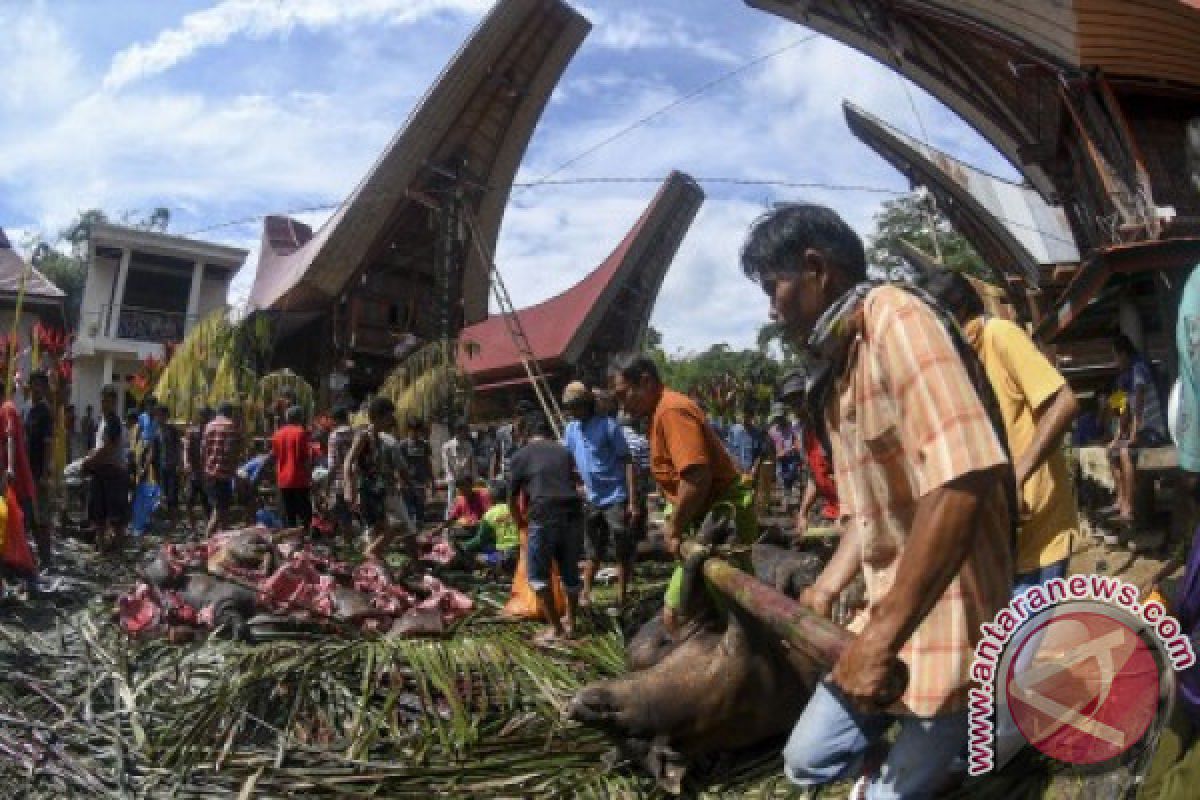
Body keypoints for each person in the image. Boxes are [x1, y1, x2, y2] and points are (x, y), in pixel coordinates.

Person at [740, 203, 1013, 798]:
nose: (770, 307)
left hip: (950, 621)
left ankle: (988, 726)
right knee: (805, 763)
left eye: (773, 287)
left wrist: (880, 638)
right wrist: (826, 589)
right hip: (887, 617)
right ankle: (925, 756)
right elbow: (868, 520)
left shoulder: (897, 317)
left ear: (815, 267)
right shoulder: (838, 367)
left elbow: (963, 477)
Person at [927, 269, 1080, 589]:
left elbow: (1064, 404)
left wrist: (1019, 474)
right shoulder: (961, 363)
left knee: (1027, 636)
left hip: (1040, 531)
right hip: (1003, 536)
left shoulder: (1000, 335)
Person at [609, 353, 757, 631]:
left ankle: (760, 652)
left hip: (721, 514)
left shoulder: (671, 410)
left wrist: (675, 527)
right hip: (701, 516)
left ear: (645, 381)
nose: (622, 405)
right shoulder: (657, 414)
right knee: (685, 609)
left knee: (731, 604)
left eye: (623, 394)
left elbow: (696, 476)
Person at [509, 411, 583, 644]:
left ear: (526, 432)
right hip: (572, 513)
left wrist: (520, 522)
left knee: (538, 576)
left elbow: (511, 497)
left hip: (543, 515)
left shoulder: (520, 455)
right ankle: (571, 620)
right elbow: (573, 482)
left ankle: (557, 629)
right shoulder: (563, 451)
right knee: (569, 572)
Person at [561, 381, 637, 608]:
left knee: (621, 547)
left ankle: (622, 596)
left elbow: (627, 462)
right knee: (592, 549)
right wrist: (576, 486)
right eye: (570, 408)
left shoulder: (608, 426)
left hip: (615, 495)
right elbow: (569, 461)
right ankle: (585, 593)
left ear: (587, 405)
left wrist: (632, 501)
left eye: (577, 407)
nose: (573, 412)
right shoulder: (571, 430)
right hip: (592, 498)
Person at [345, 396, 415, 561]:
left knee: (379, 531)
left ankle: (372, 565)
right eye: (389, 415)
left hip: (378, 490)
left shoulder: (379, 437)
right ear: (377, 416)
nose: (392, 419)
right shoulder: (364, 435)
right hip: (368, 490)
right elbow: (348, 460)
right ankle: (369, 556)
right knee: (397, 527)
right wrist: (349, 488)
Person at [1108, 333, 1168, 522]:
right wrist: (1116, 437)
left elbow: (1139, 408)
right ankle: (1120, 499)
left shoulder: (1139, 369)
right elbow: (1122, 412)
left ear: (1124, 354)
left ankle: (1129, 507)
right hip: (1139, 430)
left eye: (1115, 356)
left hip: (1152, 430)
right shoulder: (1122, 378)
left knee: (1126, 452)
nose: (1114, 361)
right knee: (1112, 452)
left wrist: (1132, 435)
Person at [779, 370, 839, 537]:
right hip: (832, 509)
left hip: (852, 511)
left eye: (798, 399)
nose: (795, 406)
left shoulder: (830, 425)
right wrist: (803, 513)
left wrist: (847, 513)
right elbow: (815, 477)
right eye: (791, 402)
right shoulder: (806, 432)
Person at [81, 385, 130, 552]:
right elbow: (100, 446)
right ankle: (102, 547)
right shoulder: (103, 421)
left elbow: (109, 448)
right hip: (101, 471)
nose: (104, 403)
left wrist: (89, 461)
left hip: (114, 473)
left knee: (117, 517)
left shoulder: (114, 421)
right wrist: (90, 455)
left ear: (115, 402)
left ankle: (118, 549)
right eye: (102, 400)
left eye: (108, 400)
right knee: (98, 514)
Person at [24, 371, 54, 570]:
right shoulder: (28, 409)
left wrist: (44, 473)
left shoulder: (45, 412)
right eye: (34, 384)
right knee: (30, 517)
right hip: (27, 472)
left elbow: (48, 445)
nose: (37, 389)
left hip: (38, 472)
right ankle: (33, 558)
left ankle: (46, 559)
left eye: (41, 385)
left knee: (41, 518)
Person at [460, 481, 520, 570]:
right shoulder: (518, 509)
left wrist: (463, 545)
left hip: (504, 557)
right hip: (523, 555)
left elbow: (480, 540)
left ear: (492, 496)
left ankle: (501, 571)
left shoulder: (490, 514)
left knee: (477, 556)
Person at [202, 402, 241, 538]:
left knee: (223, 511)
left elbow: (204, 450)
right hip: (224, 474)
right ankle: (207, 539)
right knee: (219, 511)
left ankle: (223, 539)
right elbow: (231, 451)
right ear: (230, 413)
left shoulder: (209, 426)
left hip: (210, 472)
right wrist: (235, 473)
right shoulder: (231, 426)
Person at [271, 405, 312, 529]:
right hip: (299, 478)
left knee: (289, 513)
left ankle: (291, 540)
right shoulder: (301, 433)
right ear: (300, 418)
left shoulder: (277, 434)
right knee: (305, 512)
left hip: (283, 479)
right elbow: (304, 458)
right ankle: (306, 538)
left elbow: (275, 456)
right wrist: (309, 476)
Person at [182, 407, 214, 534]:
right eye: (203, 416)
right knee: (189, 502)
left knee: (207, 505)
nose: (204, 419)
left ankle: (209, 530)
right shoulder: (192, 432)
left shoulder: (211, 432)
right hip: (194, 473)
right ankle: (193, 529)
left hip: (206, 474)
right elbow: (186, 449)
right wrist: (186, 463)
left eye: (207, 416)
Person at [325, 406, 355, 539]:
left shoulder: (334, 436)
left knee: (342, 513)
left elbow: (332, 464)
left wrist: (327, 484)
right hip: (357, 479)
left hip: (340, 481)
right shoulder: (356, 433)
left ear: (335, 420)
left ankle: (347, 543)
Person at [152, 404, 183, 533]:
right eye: (157, 415)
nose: (158, 418)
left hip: (173, 467)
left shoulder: (172, 430)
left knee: (173, 496)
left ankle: (174, 523)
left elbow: (179, 448)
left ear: (166, 416)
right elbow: (155, 452)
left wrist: (180, 464)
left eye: (160, 415)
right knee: (165, 496)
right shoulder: (157, 431)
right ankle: (171, 522)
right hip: (162, 467)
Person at [398, 417, 433, 525]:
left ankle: (420, 529)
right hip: (407, 482)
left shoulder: (425, 445)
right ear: (408, 430)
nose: (416, 433)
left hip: (421, 481)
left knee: (420, 507)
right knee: (408, 509)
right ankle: (410, 532)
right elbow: (399, 465)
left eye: (418, 430)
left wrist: (432, 479)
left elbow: (427, 462)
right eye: (413, 430)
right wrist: (400, 481)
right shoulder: (402, 445)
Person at [441, 421, 476, 520]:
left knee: (467, 501)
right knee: (451, 502)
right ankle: (447, 526)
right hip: (453, 479)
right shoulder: (446, 446)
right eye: (465, 431)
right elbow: (447, 465)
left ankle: (468, 521)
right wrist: (455, 479)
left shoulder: (468, 445)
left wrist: (474, 478)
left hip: (466, 479)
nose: (467, 433)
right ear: (458, 431)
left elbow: (471, 463)